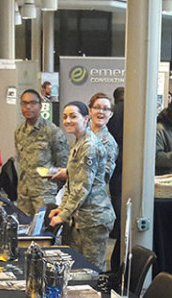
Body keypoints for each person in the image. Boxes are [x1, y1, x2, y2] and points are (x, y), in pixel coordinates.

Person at [49, 101, 115, 270]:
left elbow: (81, 188)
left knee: (91, 272)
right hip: (80, 218)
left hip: (93, 219)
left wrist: (63, 216)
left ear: (86, 119)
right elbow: (72, 182)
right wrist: (62, 208)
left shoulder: (89, 146)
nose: (68, 121)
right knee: (75, 268)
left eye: (73, 116)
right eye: (65, 117)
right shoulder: (79, 142)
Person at [14, 89, 69, 216]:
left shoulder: (52, 131)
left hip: (44, 194)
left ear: (40, 106)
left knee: (44, 232)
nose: (28, 107)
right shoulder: (19, 132)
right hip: (24, 194)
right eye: (24, 103)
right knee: (24, 232)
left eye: (33, 103)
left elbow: (62, 165)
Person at [107, 87, 124, 272]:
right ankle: (119, 227)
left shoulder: (114, 112)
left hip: (116, 160)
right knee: (121, 196)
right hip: (129, 158)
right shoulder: (134, 109)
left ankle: (117, 228)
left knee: (116, 195)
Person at [88, 92, 118, 184]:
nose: (101, 111)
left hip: (95, 196)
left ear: (110, 114)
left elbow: (103, 177)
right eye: (97, 107)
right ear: (90, 110)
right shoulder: (84, 136)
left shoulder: (108, 143)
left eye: (105, 109)